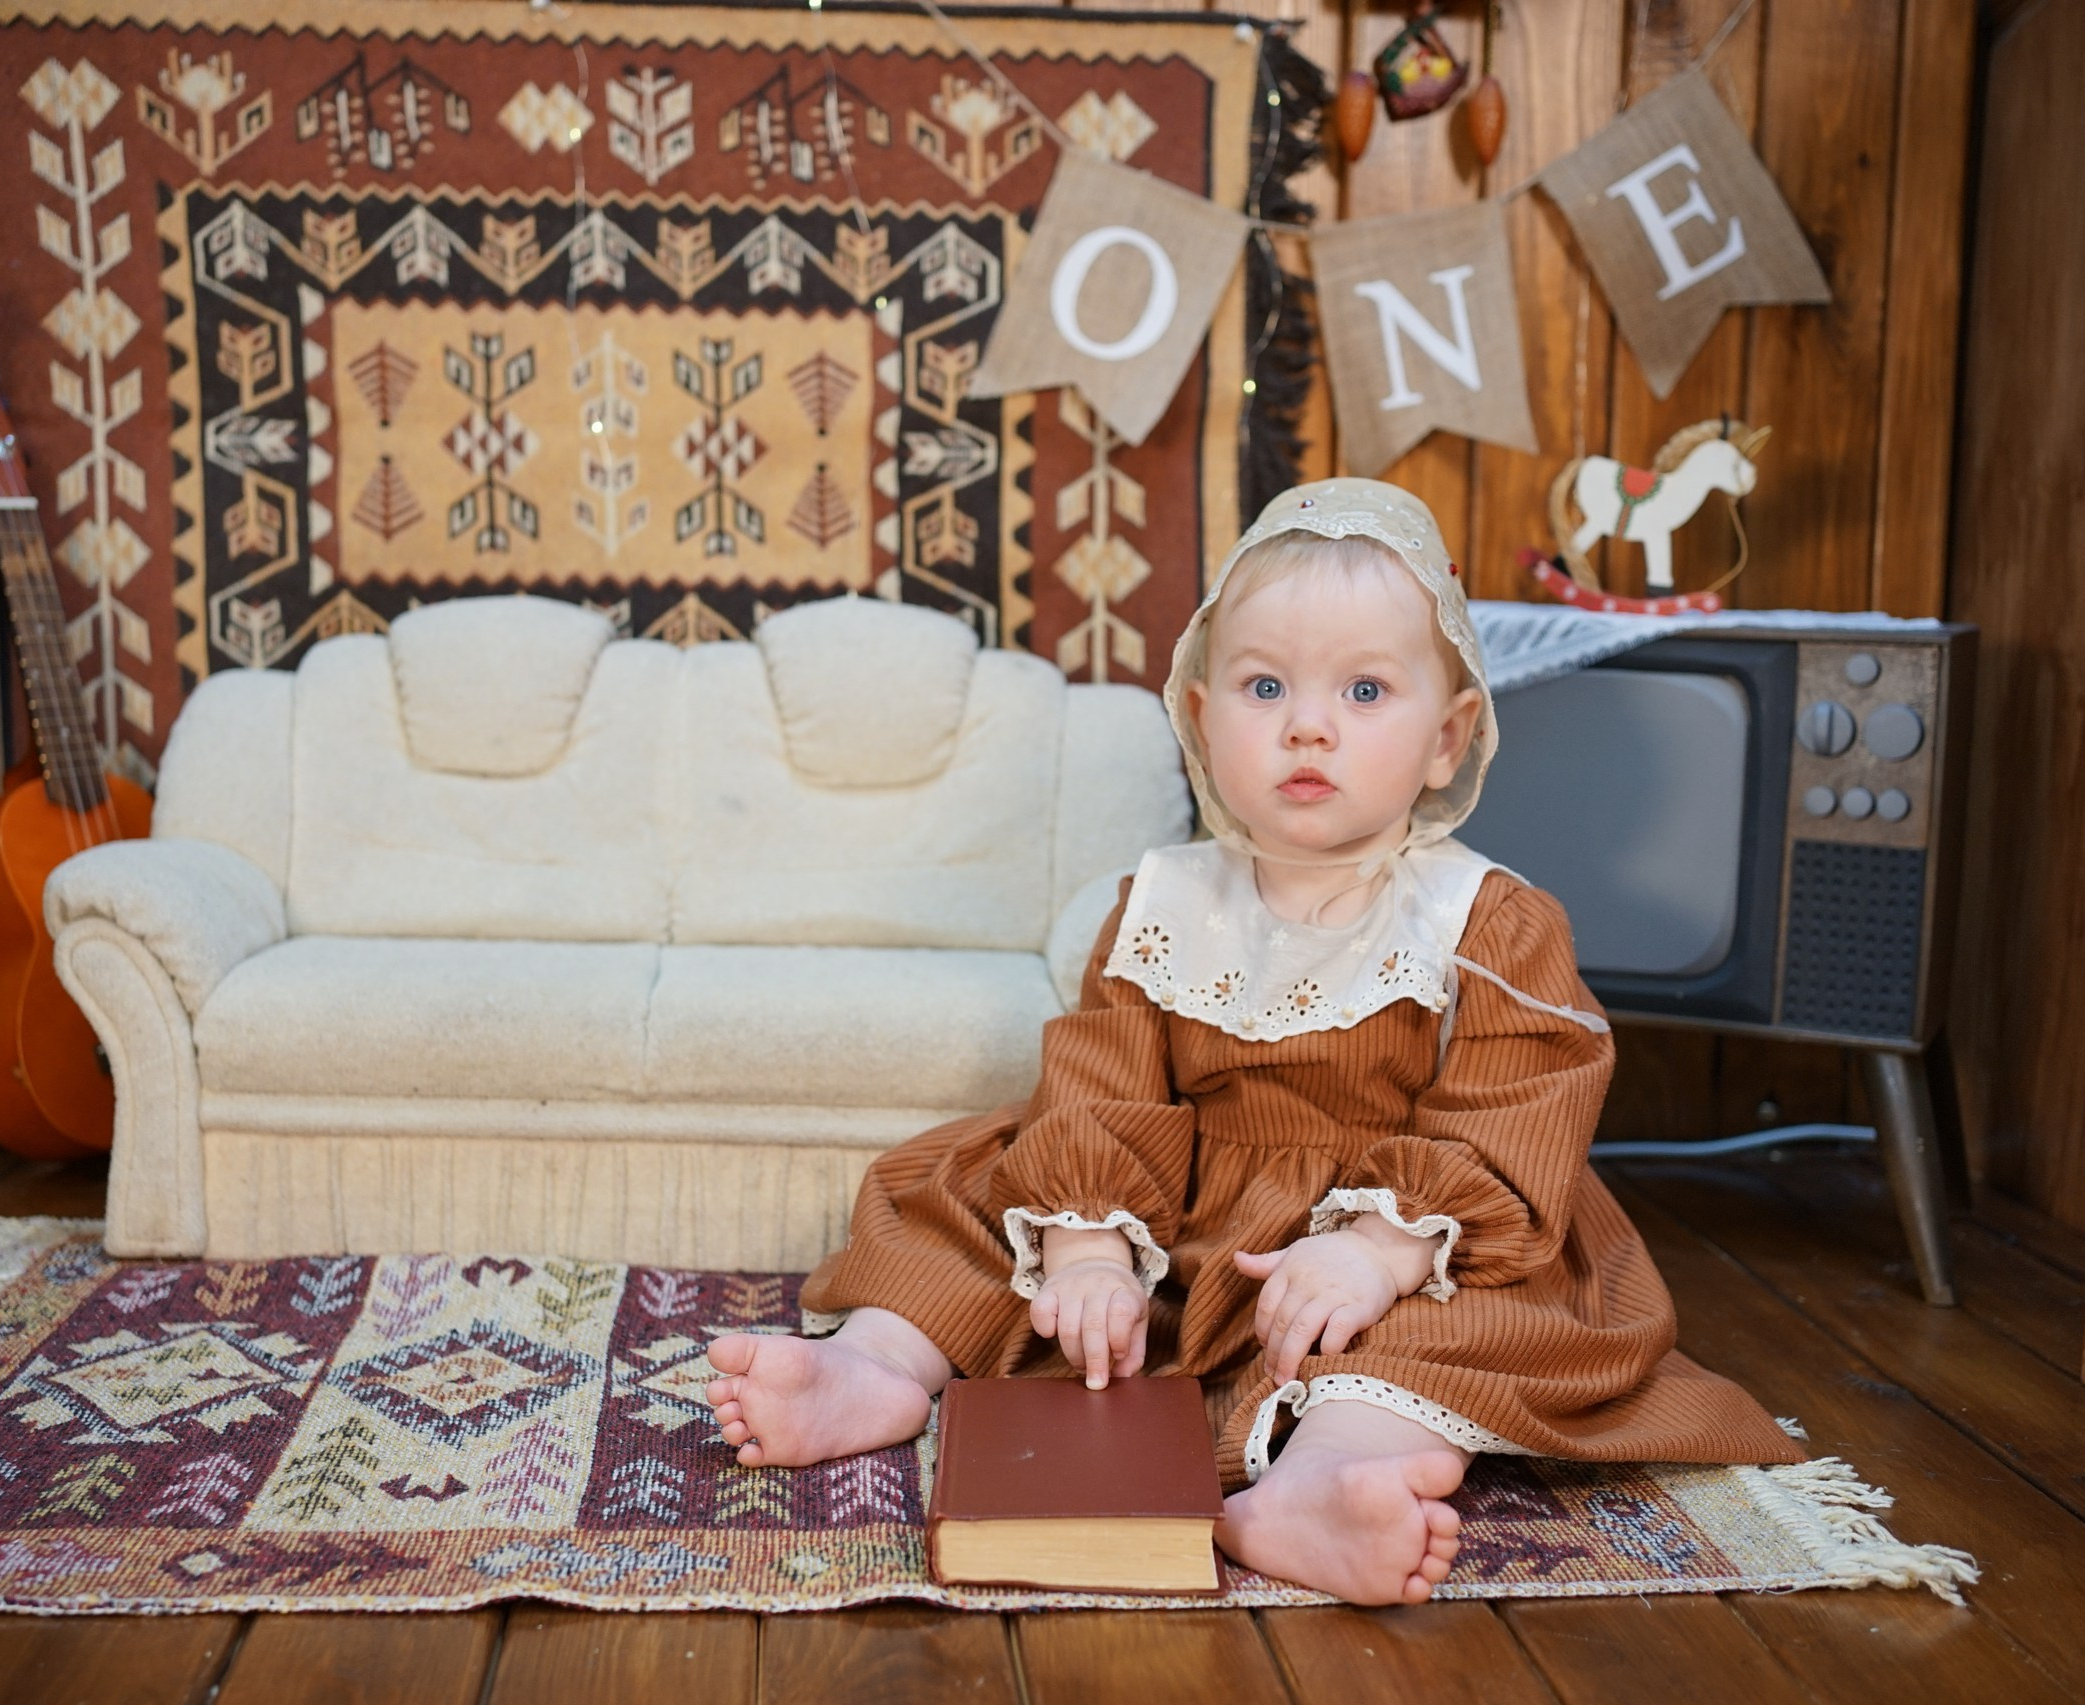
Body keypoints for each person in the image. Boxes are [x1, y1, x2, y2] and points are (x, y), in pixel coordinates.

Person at [703, 478, 1801, 1605]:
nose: (1306, 726)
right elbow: (1101, 1090)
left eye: (1365, 690)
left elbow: (1510, 1121)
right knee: (970, 1196)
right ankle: (874, 1365)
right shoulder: (1162, 902)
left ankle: (1324, 1480)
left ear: (1446, 736)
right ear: (1199, 715)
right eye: (1264, 686)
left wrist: (1374, 1253)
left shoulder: (1485, 921)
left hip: (1391, 1238)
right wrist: (1090, 1252)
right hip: (1180, 1224)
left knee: (1472, 1319)